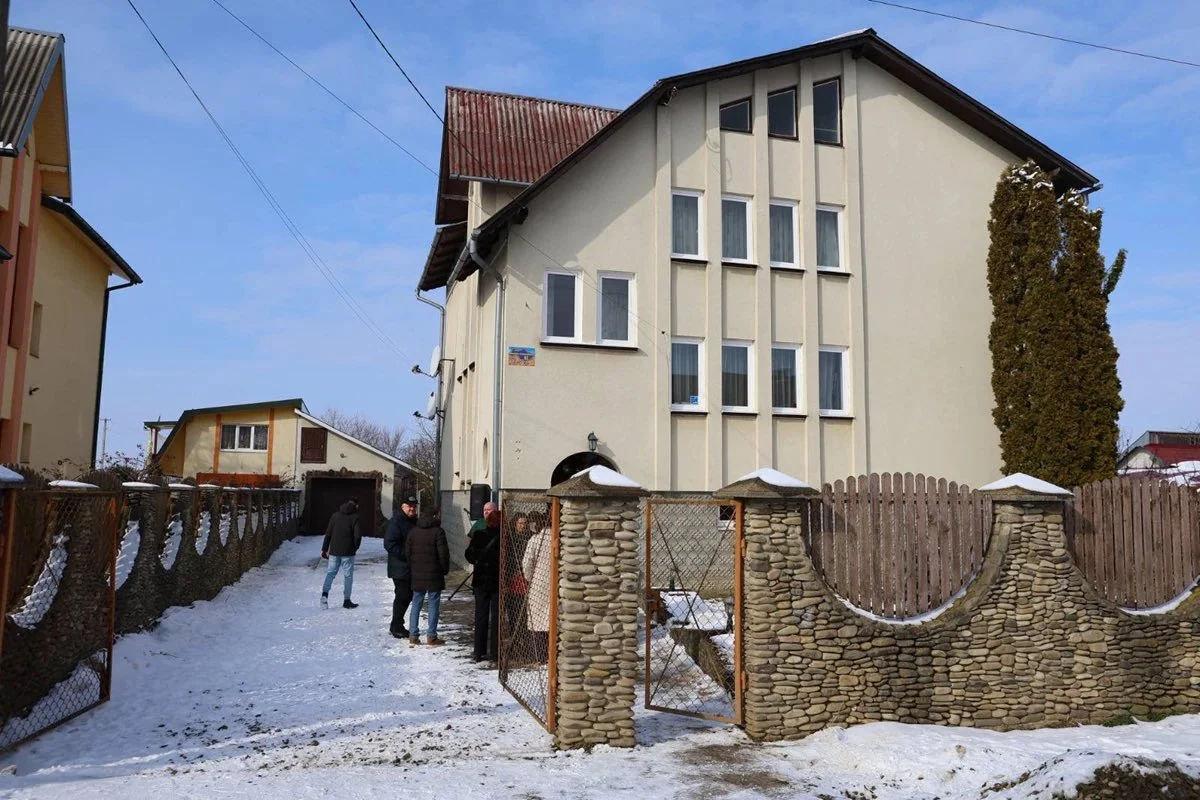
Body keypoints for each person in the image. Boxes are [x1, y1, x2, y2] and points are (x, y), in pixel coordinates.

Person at [405, 506, 450, 646]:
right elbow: (443, 554)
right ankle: (431, 636)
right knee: (433, 604)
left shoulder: (413, 532)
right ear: (435, 516)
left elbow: (408, 553)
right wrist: (444, 570)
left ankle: (413, 635)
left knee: (416, 603)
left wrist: (413, 568)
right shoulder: (438, 532)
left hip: (417, 574)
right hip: (434, 574)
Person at [465, 508, 501, 664]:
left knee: (481, 615)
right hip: (497, 581)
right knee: (496, 617)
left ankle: (479, 651)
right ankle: (495, 652)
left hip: (480, 580)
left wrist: (478, 562)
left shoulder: (479, 535)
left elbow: (469, 555)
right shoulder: (504, 538)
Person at [383, 496, 419, 638]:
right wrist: (407, 555)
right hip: (400, 567)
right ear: (403, 507)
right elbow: (389, 544)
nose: (412, 508)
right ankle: (396, 626)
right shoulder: (396, 522)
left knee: (406, 596)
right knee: (402, 596)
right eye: (409, 506)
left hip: (409, 567)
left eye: (414, 506)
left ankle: (396, 624)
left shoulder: (414, 521)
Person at [521, 511, 553, 661]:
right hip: (555, 582)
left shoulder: (535, 540)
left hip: (538, 583)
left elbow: (527, 563)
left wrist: (529, 578)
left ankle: (539, 654)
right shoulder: (558, 537)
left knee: (538, 619)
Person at [321, 499, 361, 609]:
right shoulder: (355, 517)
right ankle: (347, 600)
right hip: (348, 552)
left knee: (330, 573)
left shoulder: (335, 516)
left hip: (334, 551)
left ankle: (324, 596)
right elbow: (357, 536)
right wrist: (354, 548)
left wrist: (324, 549)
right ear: (356, 506)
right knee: (348, 576)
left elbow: (328, 533)